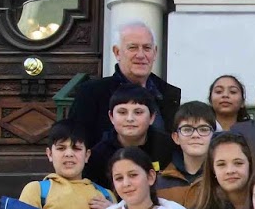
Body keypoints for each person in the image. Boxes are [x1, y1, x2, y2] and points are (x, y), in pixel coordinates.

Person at [69, 20, 182, 156]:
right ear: (117, 52)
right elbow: (76, 144)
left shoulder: (168, 94)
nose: (141, 55)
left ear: (155, 52)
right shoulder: (91, 94)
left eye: (147, 48)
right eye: (133, 47)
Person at [13, 121, 113, 209]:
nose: (69, 154)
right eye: (61, 148)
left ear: (87, 155)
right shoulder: (36, 191)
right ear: (49, 154)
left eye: (76, 148)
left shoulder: (105, 195)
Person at [82, 83, 177, 189]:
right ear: (111, 117)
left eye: (138, 112)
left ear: (152, 117)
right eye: (122, 112)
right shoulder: (98, 155)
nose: (130, 118)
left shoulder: (168, 147)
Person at [156, 102, 215, 201]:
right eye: (187, 129)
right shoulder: (160, 182)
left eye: (204, 129)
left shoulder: (220, 178)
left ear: (214, 136)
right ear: (176, 138)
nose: (195, 135)